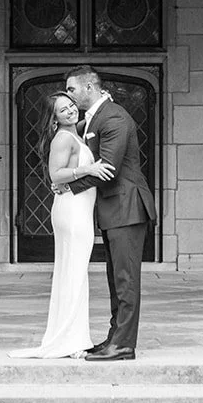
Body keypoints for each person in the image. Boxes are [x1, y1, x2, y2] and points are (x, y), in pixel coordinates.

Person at [9, 91, 114, 359]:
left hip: (77, 208)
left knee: (74, 273)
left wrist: (104, 102)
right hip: (72, 211)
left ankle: (74, 336)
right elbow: (56, 175)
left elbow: (87, 122)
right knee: (74, 274)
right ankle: (70, 340)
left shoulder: (75, 133)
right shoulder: (63, 138)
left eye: (71, 106)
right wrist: (87, 170)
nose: (70, 111)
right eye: (63, 110)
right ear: (54, 118)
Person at [62, 64, 156, 362]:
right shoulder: (94, 118)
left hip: (127, 207)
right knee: (116, 279)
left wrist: (68, 188)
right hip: (115, 210)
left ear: (89, 88)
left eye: (72, 89)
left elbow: (110, 170)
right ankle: (115, 338)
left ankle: (124, 345)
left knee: (126, 280)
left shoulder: (113, 117)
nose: (70, 95)